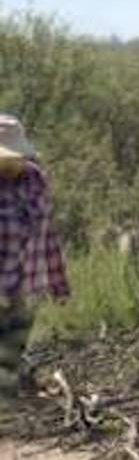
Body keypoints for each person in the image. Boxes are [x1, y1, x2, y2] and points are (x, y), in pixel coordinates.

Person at [0, 114, 69, 401]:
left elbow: (47, 233)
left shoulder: (35, 181)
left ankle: (9, 398)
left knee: (14, 343)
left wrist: (59, 282)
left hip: (25, 284)